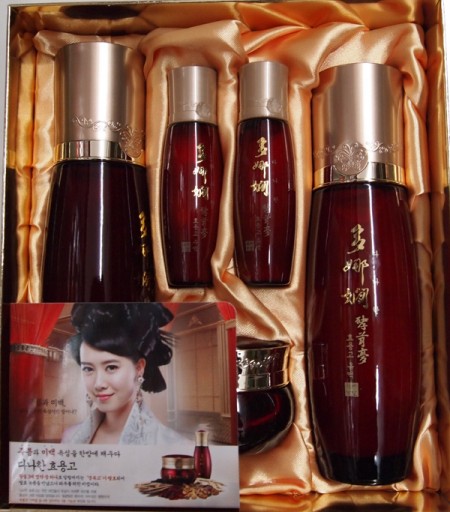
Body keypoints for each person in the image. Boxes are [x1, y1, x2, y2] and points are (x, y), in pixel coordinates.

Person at [62, 302, 185, 445]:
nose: (98, 384)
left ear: (139, 368)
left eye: (111, 367)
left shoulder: (171, 444)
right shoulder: (70, 438)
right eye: (88, 369)